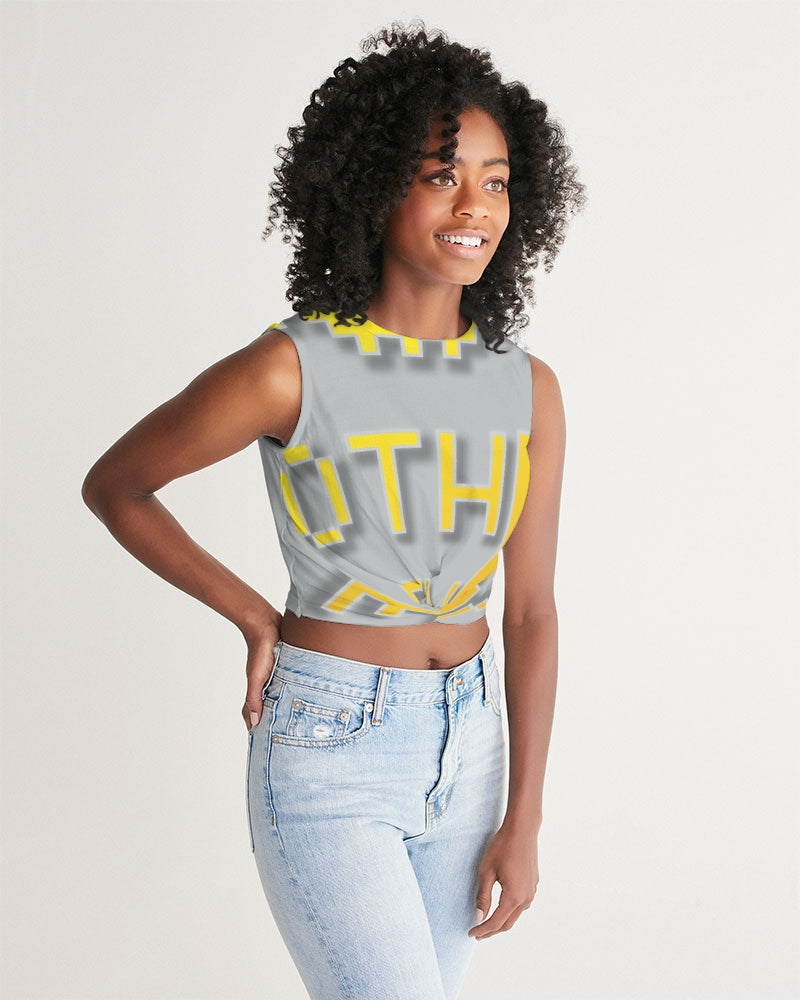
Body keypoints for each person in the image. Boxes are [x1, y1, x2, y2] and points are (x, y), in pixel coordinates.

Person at [82, 21, 586, 1000]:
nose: (474, 206)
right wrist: (250, 613)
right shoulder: (292, 367)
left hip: (472, 747)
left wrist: (524, 813)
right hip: (330, 746)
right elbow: (119, 484)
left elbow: (529, 612)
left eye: (495, 181)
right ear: (371, 187)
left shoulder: (528, 388)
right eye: (440, 176)